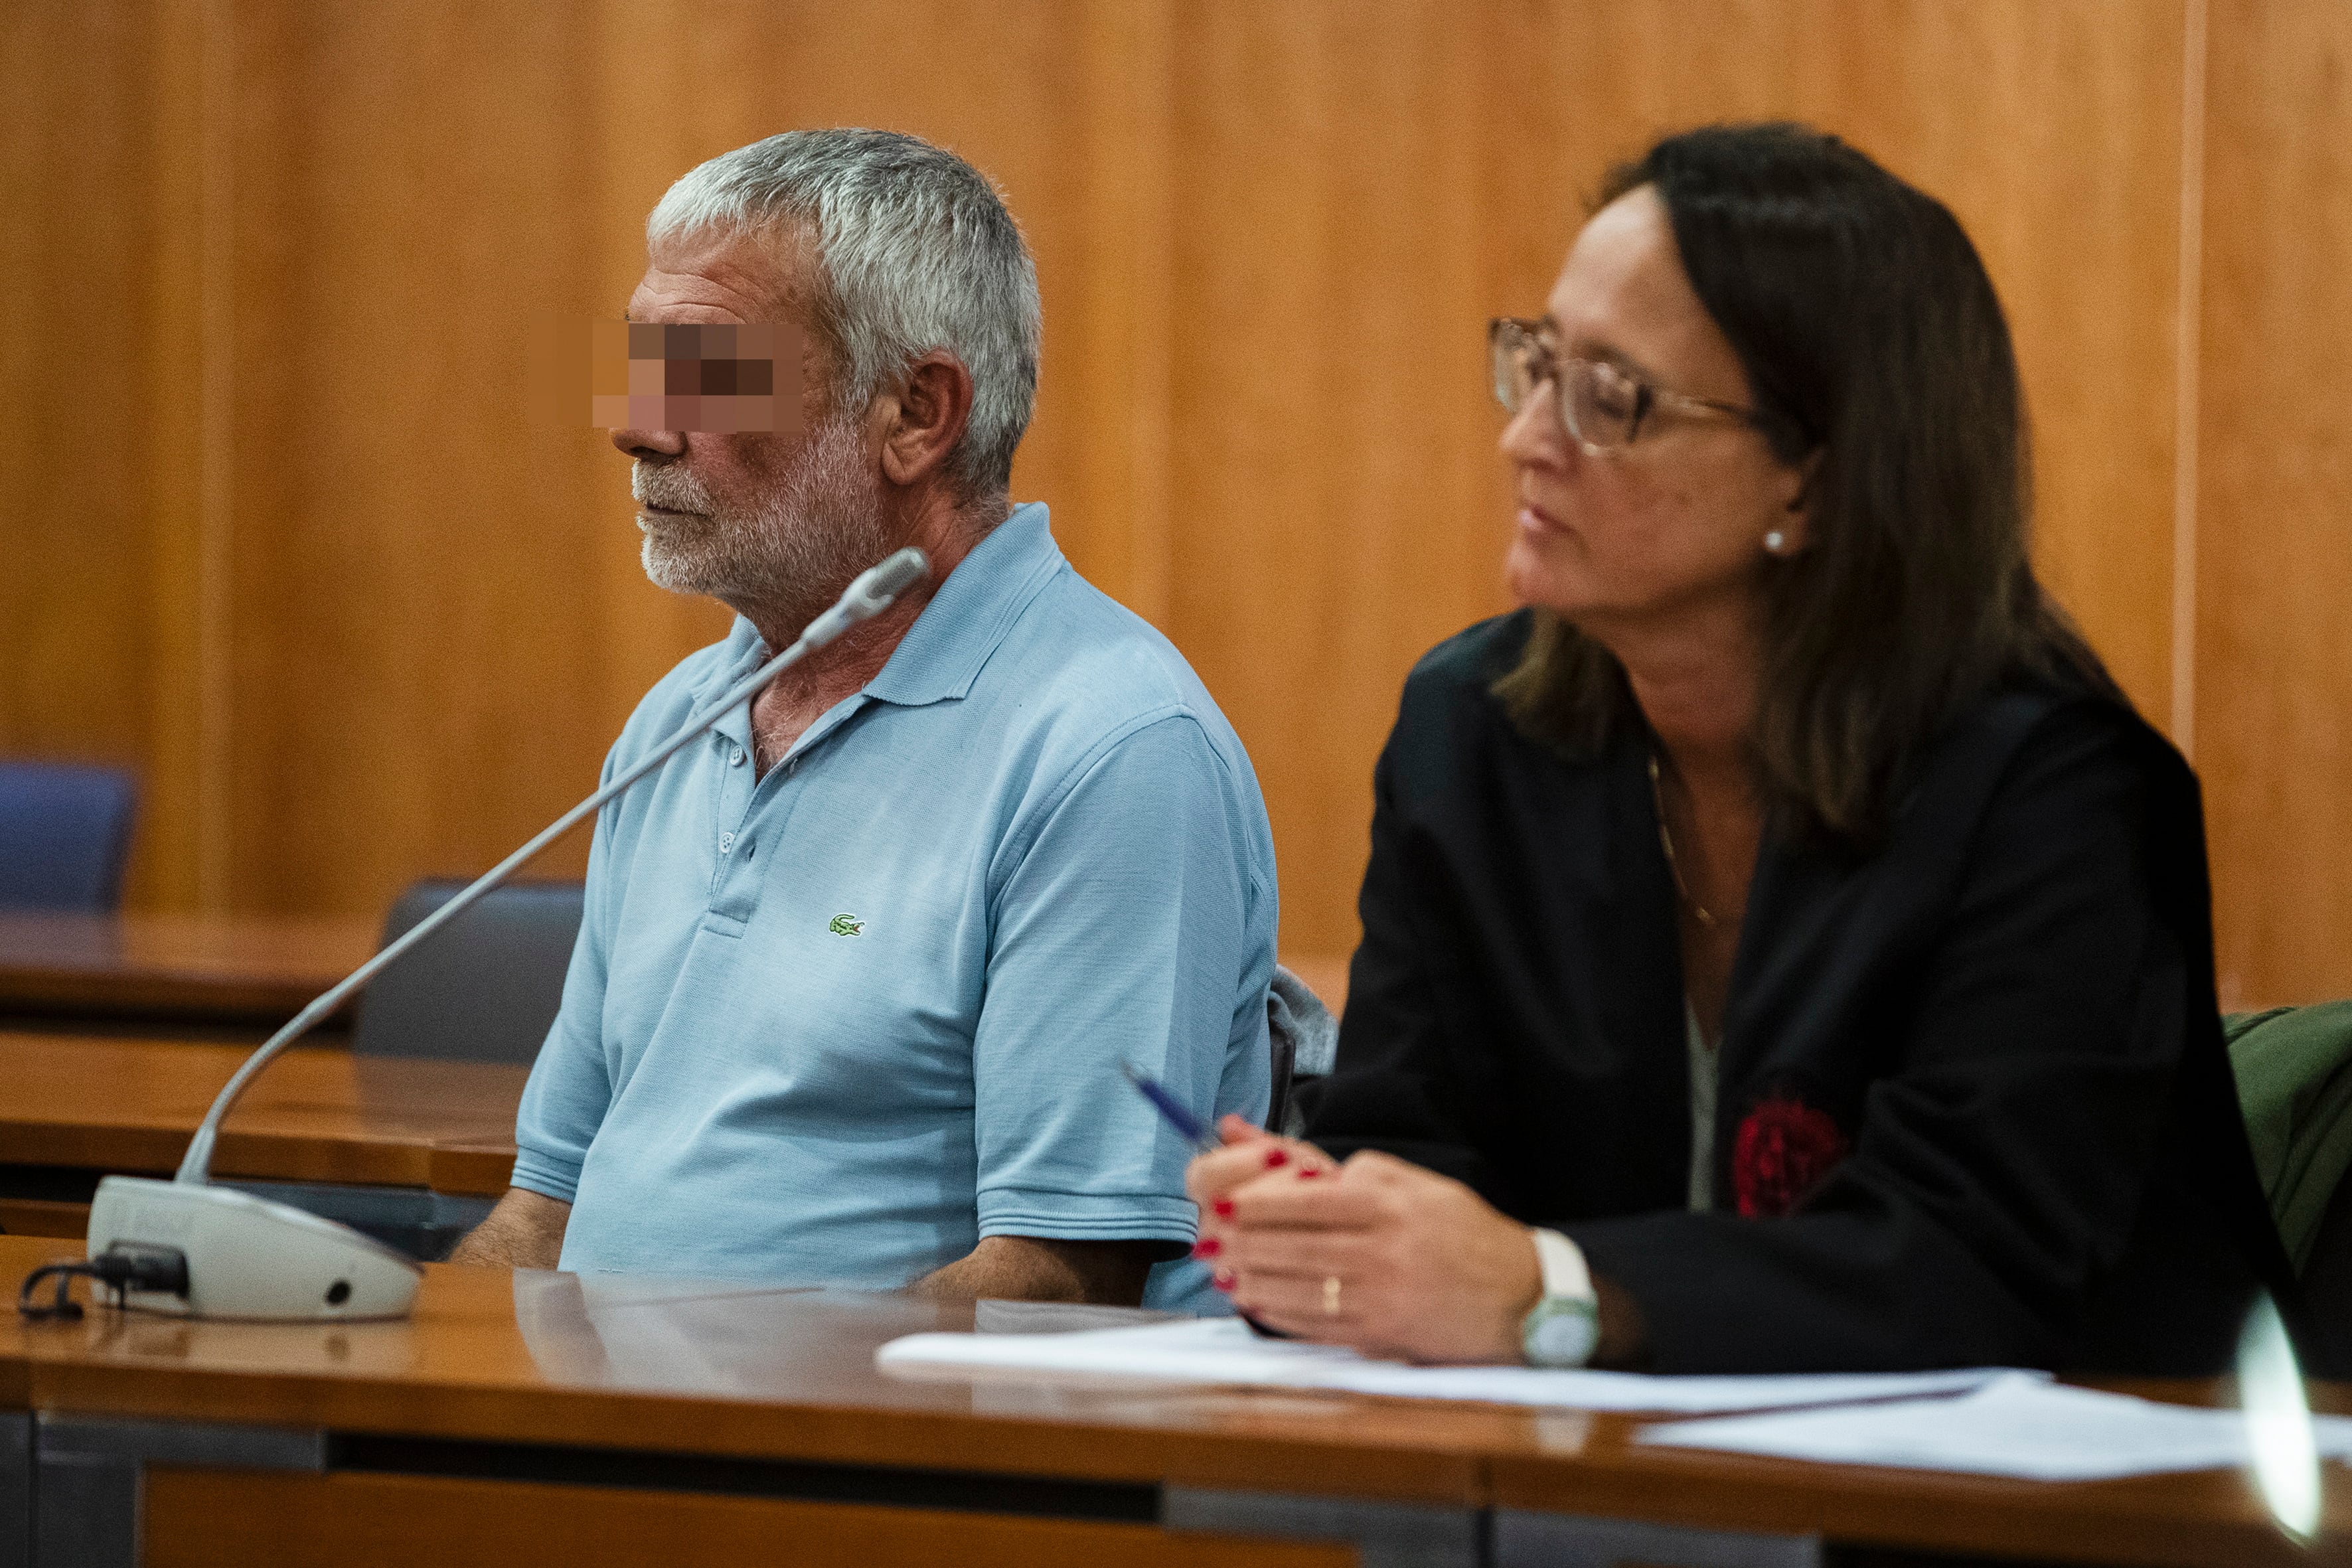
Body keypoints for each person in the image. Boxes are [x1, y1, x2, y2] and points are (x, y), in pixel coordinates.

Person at [1187, 123, 2293, 1373]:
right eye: (1538, 366)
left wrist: (1551, 1289)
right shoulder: (1474, 732)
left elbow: (1970, 1267)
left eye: (1612, 397)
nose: (1527, 438)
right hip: (1620, 1492)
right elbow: (1413, 1146)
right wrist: (1327, 1227)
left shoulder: (2057, 792)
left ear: (1811, 485)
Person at [453, 129, 1278, 1312]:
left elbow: (1052, 1279)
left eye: (704, 372)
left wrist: (717, 1430)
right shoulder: (678, 724)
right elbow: (549, 1206)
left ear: (917, 413)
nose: (637, 424)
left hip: (865, 1472)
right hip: (604, 1445)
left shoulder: (1111, 750)